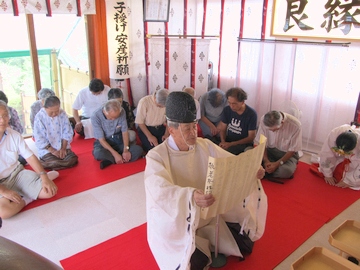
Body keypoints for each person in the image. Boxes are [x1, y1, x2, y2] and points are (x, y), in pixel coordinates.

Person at [145, 91, 267, 269]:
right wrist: (191, 196)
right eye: (187, 128)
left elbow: (232, 164)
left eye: (194, 126)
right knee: (193, 264)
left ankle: (208, 238)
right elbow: (160, 190)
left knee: (245, 244)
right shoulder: (156, 156)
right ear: (171, 129)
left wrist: (252, 170)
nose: (194, 132)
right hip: (180, 219)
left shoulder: (205, 145)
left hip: (210, 214)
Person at [0, 101, 58, 219]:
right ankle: (27, 197)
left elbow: (30, 156)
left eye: (5, 115)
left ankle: (41, 180)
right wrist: (4, 191)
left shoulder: (14, 135)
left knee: (49, 192)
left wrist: (43, 176)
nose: (2, 120)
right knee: (4, 213)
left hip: (16, 174)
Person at [91, 99, 143, 170]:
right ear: (104, 111)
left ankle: (110, 161)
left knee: (138, 150)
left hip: (118, 139)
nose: (113, 119)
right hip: (104, 142)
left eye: (116, 117)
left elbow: (124, 132)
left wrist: (126, 150)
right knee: (98, 154)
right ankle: (118, 157)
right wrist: (115, 154)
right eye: (110, 117)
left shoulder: (121, 112)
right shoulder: (95, 116)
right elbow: (101, 140)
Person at [33, 96, 78, 170]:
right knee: (54, 162)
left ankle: (52, 164)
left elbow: (67, 131)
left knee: (73, 159)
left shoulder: (62, 113)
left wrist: (63, 148)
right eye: (51, 112)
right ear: (45, 107)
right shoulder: (39, 117)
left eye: (57, 111)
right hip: (47, 150)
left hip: (62, 146)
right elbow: (39, 138)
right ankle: (55, 163)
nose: (54, 114)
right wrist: (53, 151)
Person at [255, 110, 302, 180]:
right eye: (269, 130)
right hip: (269, 151)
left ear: (282, 122)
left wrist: (277, 164)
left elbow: (292, 150)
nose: (272, 132)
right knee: (251, 159)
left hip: (286, 155)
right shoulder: (263, 120)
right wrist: (266, 161)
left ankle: (264, 173)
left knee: (286, 171)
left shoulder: (295, 125)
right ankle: (267, 171)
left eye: (274, 130)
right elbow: (262, 142)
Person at [310, 124, 360, 190]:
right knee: (332, 172)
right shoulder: (335, 134)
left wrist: (350, 181)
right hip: (340, 159)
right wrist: (328, 175)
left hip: (357, 160)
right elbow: (326, 153)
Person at [214, 87, 257, 155]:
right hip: (228, 140)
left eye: (234, 104)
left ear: (242, 102)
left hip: (242, 144)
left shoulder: (251, 114)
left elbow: (251, 137)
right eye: (229, 103)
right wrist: (223, 142)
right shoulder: (227, 110)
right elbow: (223, 129)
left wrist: (231, 144)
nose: (231, 106)